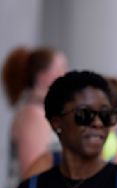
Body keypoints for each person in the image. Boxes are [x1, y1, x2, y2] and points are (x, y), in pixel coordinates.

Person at [2, 47, 68, 178]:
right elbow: (32, 172)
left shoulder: (38, 111)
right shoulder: (34, 114)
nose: (66, 74)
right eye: (61, 68)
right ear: (43, 76)